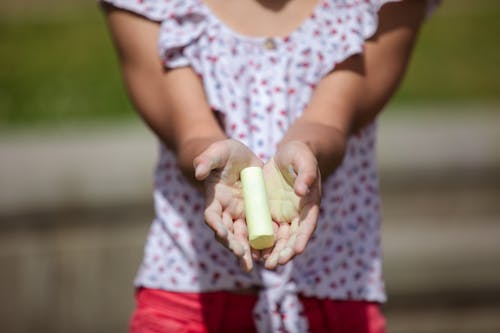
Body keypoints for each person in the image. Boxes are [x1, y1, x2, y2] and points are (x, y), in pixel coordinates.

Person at [100, 0, 440, 332]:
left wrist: (305, 156)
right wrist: (214, 162)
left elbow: (330, 123)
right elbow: (190, 131)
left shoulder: (363, 7)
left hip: (333, 293)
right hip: (189, 295)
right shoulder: (160, 6)